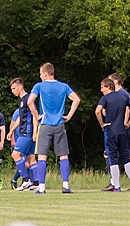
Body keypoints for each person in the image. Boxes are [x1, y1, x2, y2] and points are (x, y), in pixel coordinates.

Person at [28, 62, 80, 194]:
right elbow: (76, 99)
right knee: (63, 156)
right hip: (59, 124)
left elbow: (29, 101)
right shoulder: (63, 86)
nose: (40, 76)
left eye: (41, 74)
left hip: (45, 124)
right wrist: (68, 115)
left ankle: (42, 187)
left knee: (42, 156)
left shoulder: (39, 86)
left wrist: (37, 116)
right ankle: (65, 186)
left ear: (45, 74)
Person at [95, 78, 130, 192]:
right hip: (122, 131)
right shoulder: (123, 96)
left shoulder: (105, 98)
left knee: (113, 159)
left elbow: (97, 111)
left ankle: (117, 186)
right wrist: (129, 123)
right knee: (126, 158)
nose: (101, 90)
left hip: (111, 131)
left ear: (109, 87)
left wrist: (102, 124)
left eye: (102, 87)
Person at [8, 77, 39, 191]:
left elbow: (35, 115)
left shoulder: (28, 99)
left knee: (15, 155)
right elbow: (21, 118)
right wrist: (12, 130)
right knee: (31, 157)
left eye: (14, 88)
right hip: (25, 131)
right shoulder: (22, 101)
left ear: (20, 87)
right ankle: (36, 182)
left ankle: (26, 180)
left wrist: (35, 132)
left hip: (27, 132)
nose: (13, 91)